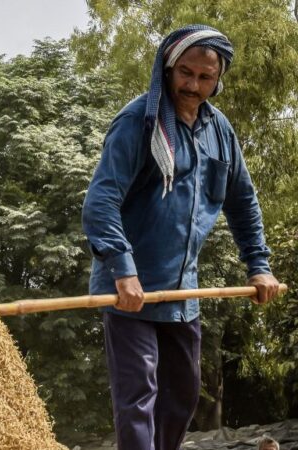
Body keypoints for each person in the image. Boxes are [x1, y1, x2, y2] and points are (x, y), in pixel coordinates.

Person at [81, 24, 282, 449]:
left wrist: (259, 267)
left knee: (182, 396)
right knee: (138, 397)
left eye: (205, 77)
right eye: (185, 73)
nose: (193, 85)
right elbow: (100, 202)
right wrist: (123, 270)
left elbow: (243, 202)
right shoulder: (138, 122)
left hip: (181, 292)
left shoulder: (220, 131)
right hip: (130, 290)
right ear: (168, 69)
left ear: (218, 78)